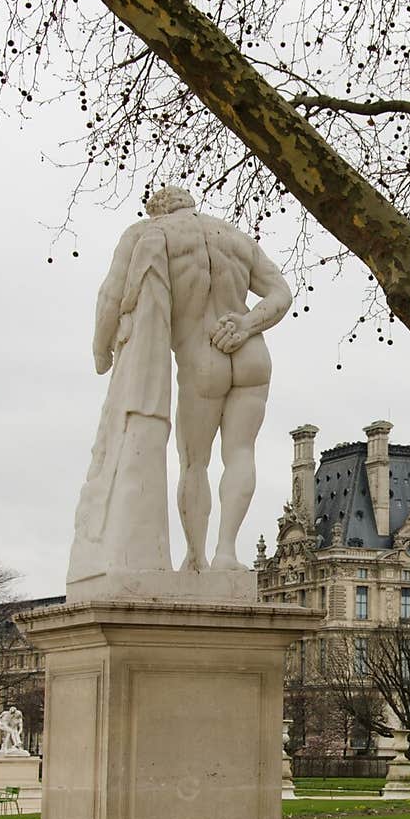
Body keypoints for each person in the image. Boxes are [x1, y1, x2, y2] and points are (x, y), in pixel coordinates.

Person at [82, 186, 292, 575]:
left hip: (202, 356)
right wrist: (246, 325)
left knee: (195, 462)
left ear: (156, 210)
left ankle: (197, 557)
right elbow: (282, 293)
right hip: (250, 351)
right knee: (241, 454)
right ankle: (227, 551)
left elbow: (111, 295)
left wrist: (100, 350)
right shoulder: (234, 237)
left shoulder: (148, 234)